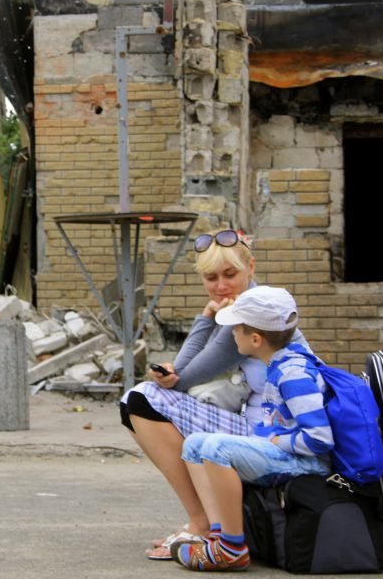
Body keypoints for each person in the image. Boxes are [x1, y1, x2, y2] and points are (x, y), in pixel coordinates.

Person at [118, 229, 310, 560]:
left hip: (277, 437)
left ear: (251, 267)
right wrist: (207, 317)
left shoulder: (252, 315)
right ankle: (206, 522)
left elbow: (182, 378)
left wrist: (205, 318)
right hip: (264, 425)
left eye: (230, 274)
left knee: (142, 399)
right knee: (142, 398)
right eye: (211, 277)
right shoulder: (251, 303)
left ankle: (202, 523)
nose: (221, 286)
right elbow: (182, 370)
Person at [171, 286, 332, 572]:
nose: (231, 335)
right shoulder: (276, 365)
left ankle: (232, 548)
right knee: (195, 444)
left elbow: (319, 439)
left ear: (256, 339)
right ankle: (219, 535)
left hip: (306, 463)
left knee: (216, 448)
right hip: (286, 454)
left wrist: (273, 440)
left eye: (235, 329)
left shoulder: (294, 373)